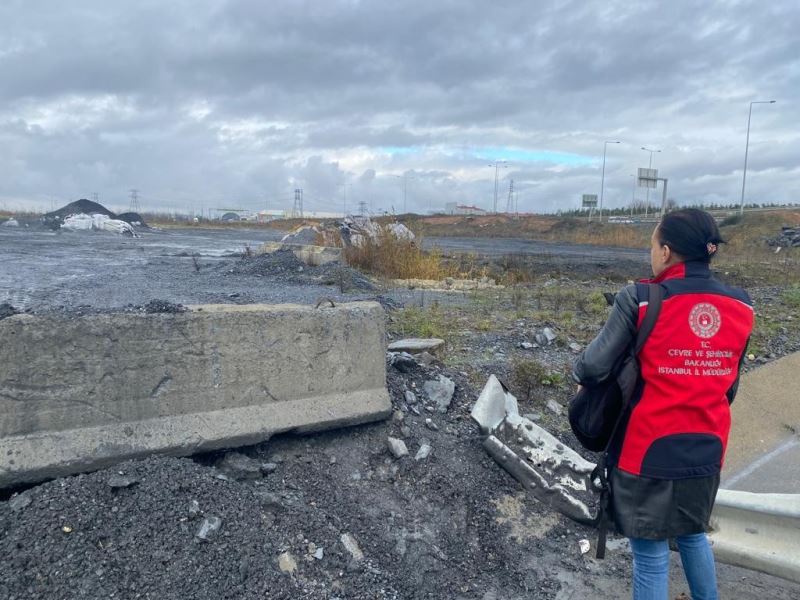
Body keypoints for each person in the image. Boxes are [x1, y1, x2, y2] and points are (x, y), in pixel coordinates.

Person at [572, 208, 754, 600]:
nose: (651, 253)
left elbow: (591, 367)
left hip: (647, 452)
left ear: (667, 251)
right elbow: (730, 388)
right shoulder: (742, 306)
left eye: (652, 245)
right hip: (707, 448)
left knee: (652, 554)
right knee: (692, 535)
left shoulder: (640, 298)